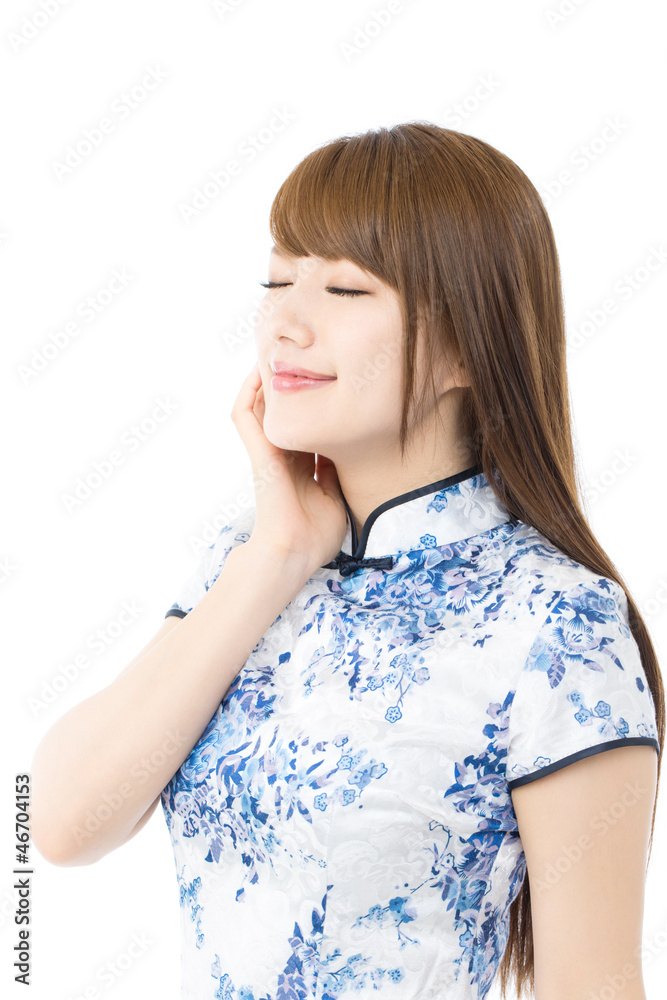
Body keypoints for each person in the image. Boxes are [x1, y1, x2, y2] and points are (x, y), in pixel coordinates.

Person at [30, 122, 663, 1000]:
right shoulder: (244, 566)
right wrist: (279, 552)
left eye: (343, 288)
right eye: (277, 280)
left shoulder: (556, 620)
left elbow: (592, 987)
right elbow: (59, 823)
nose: (284, 322)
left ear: (465, 346)